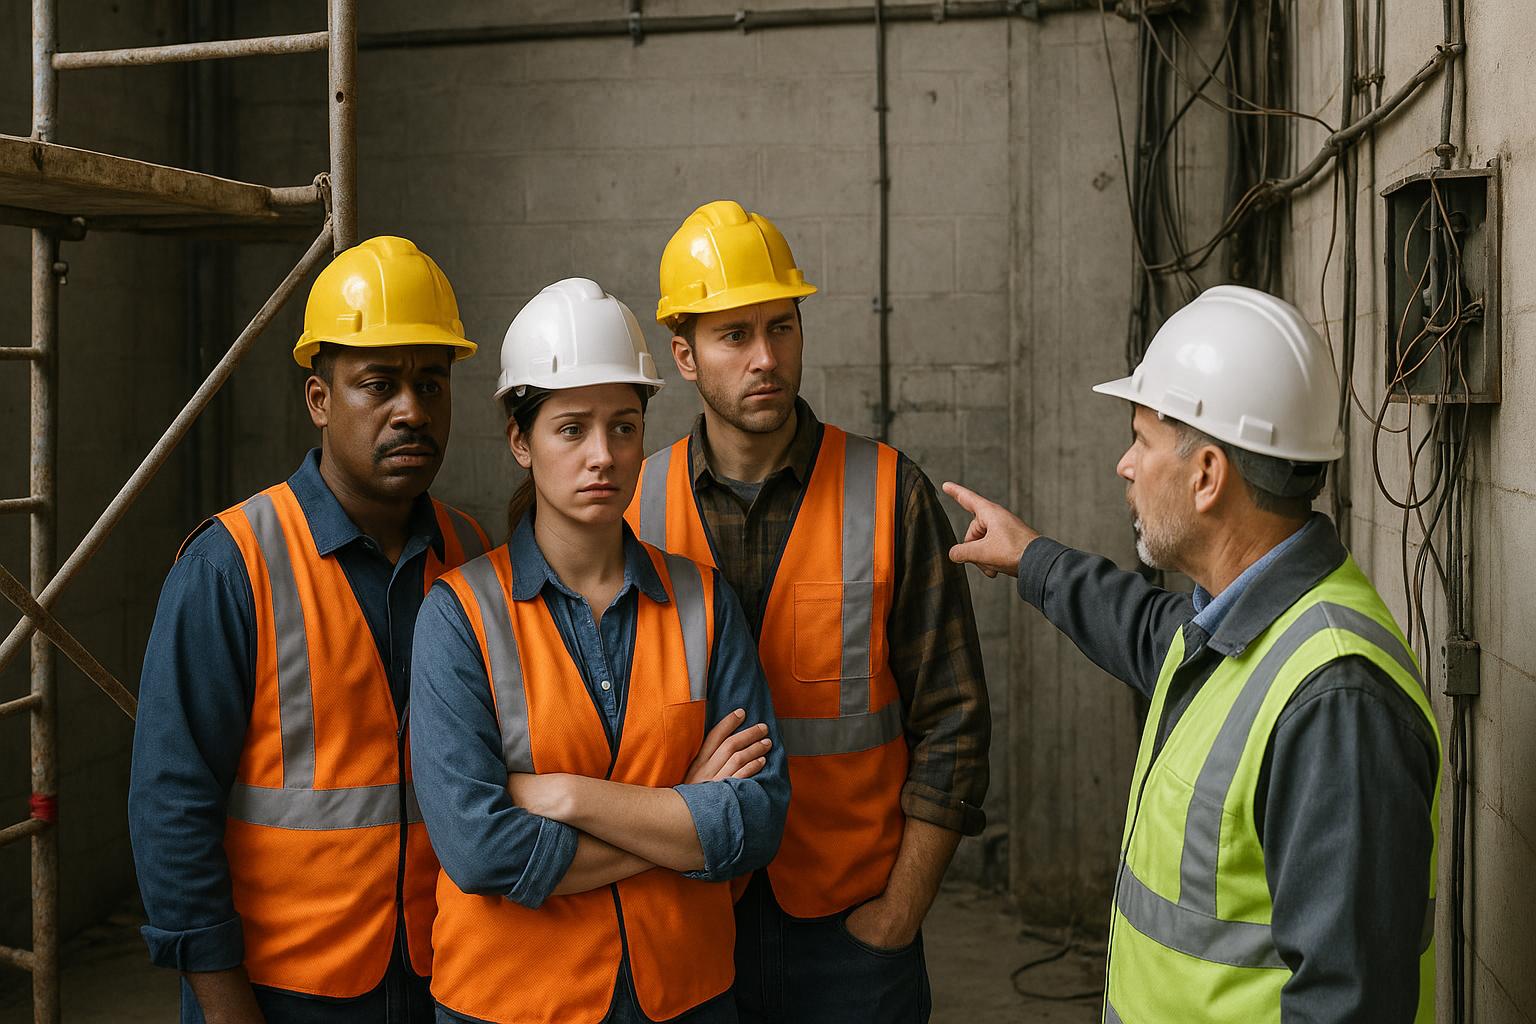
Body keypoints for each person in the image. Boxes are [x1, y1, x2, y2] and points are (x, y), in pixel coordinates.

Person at [945, 284, 1441, 1023]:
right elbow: (1148, 630)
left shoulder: (1337, 701)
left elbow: (1350, 1002)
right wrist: (1033, 559)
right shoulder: (1235, 626)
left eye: (1142, 440)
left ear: (1207, 475)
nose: (1125, 464)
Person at [626, 200, 991, 1023]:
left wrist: (896, 918)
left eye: (781, 327)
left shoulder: (889, 492)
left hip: (849, 935)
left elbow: (955, 724)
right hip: (686, 919)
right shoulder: (633, 508)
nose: (766, 357)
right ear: (683, 354)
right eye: (735, 335)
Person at [129, 236, 491, 1023]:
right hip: (281, 993)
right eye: (379, 384)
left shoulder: (472, 557)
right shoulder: (232, 566)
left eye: (432, 384)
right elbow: (171, 803)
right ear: (319, 400)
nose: (412, 410)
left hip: (449, 976)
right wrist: (224, 1004)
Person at [410, 277, 789, 1024]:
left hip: (685, 998)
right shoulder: (459, 616)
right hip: (512, 1004)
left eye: (623, 427)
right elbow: (481, 850)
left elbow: (756, 819)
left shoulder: (704, 603)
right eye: (571, 428)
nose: (603, 456)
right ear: (521, 440)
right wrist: (680, 821)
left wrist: (571, 797)